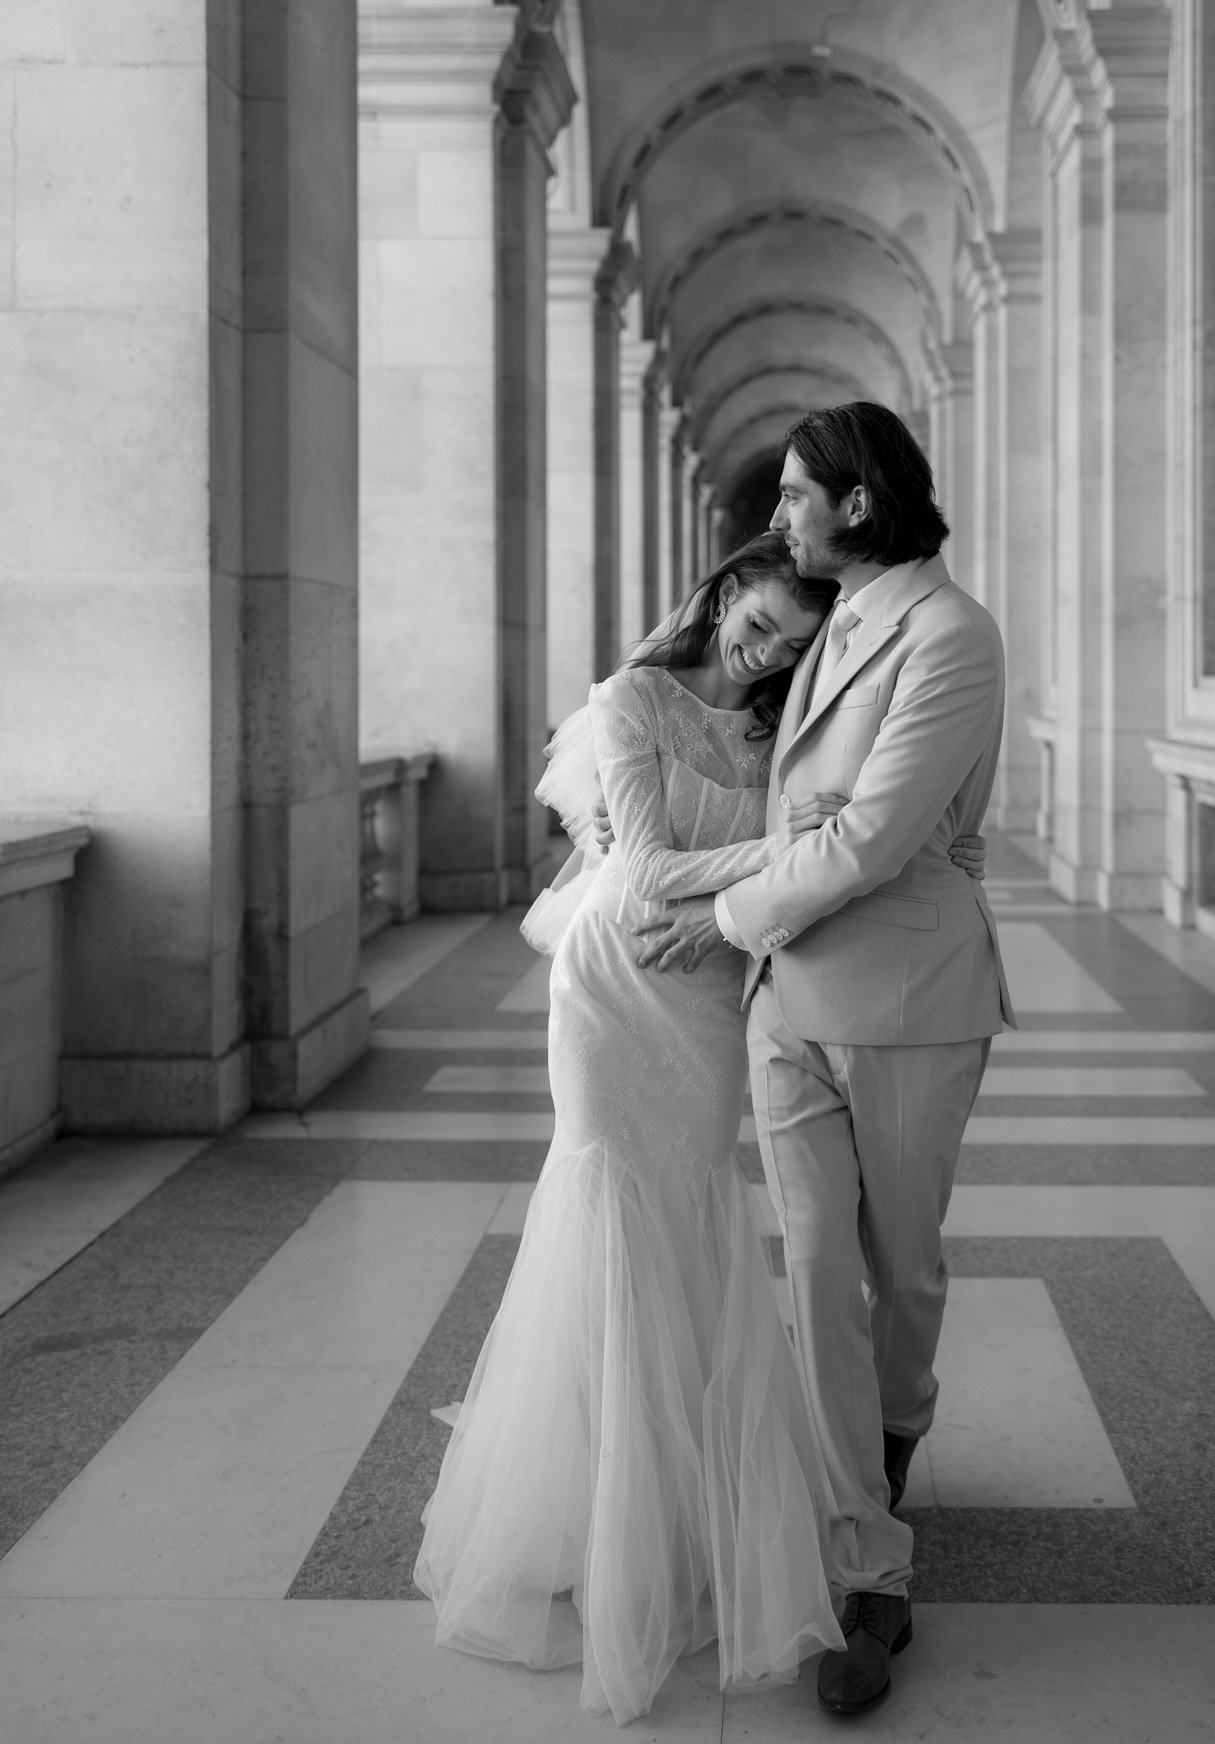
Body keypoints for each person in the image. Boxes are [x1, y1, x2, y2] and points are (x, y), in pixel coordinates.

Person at [414, 529, 984, 1725]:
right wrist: (792, 849)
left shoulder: (779, 732)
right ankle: (600, 1497)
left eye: (787, 640)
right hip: (615, 991)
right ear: (723, 589)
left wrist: (784, 861)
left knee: (694, 1213)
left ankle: (684, 1483)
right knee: (609, 1201)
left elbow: (830, 843)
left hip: (715, 996)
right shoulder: (631, 699)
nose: (763, 648)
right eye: (755, 621)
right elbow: (632, 882)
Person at [637, 403, 1014, 1719]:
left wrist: (720, 913)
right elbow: (803, 808)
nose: (779, 517)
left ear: (861, 501)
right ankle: (867, 1566)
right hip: (785, 1001)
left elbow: (872, 837)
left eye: (800, 495)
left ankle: (892, 1432)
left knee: (899, 1269)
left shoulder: (951, 634)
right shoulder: (830, 619)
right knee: (820, 1275)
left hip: (907, 994)